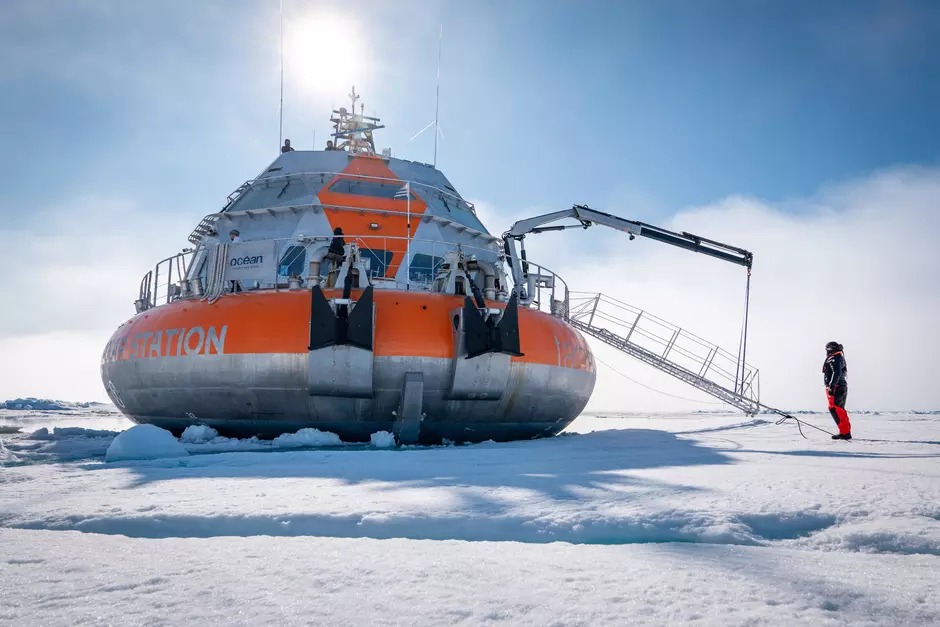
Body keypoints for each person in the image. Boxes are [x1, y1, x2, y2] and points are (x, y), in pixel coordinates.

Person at [823, 341, 851, 440]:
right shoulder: (838, 357)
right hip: (840, 386)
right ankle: (845, 432)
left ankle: (845, 433)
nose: (826, 351)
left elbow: (837, 372)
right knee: (839, 409)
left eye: (828, 349)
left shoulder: (835, 358)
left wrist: (831, 386)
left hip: (836, 386)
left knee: (835, 408)